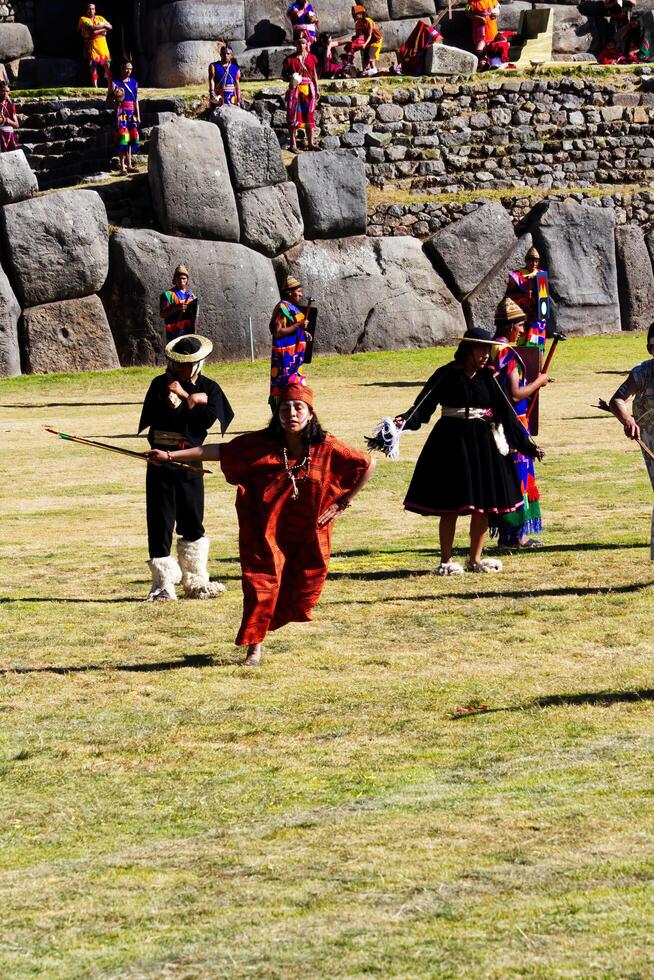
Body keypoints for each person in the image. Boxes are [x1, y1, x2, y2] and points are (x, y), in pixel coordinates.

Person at [148, 384, 375, 666]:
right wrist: (170, 456)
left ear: (310, 413)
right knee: (260, 585)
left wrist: (342, 503)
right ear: (277, 414)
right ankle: (254, 649)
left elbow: (367, 464)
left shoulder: (326, 447)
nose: (291, 413)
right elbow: (219, 450)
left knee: (303, 584)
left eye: (298, 408)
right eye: (285, 409)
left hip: (306, 533)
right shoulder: (261, 444)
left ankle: (269, 625)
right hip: (262, 531)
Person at [394, 327, 544, 575]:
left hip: (484, 446)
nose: (486, 354)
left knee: (483, 506)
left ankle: (475, 559)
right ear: (467, 349)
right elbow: (423, 406)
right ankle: (446, 560)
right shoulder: (446, 375)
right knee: (450, 506)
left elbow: (507, 415)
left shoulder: (490, 379)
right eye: (480, 349)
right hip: (451, 443)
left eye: (488, 349)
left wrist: (528, 446)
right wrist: (403, 422)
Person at [139, 335, 234, 601]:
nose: (180, 369)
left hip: (190, 459)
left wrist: (187, 396)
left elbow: (203, 423)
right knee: (159, 521)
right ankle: (162, 585)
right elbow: (159, 417)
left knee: (192, 519)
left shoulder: (210, 388)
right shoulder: (160, 384)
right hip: (159, 459)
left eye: (186, 365)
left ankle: (196, 581)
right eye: (177, 364)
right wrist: (189, 398)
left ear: (197, 364)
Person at [490, 298, 549, 548]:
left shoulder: (489, 349)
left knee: (503, 477)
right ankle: (515, 536)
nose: (523, 331)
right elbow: (515, 393)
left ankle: (508, 534)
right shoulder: (507, 354)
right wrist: (539, 382)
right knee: (518, 476)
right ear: (510, 327)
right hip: (513, 423)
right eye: (520, 326)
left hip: (494, 423)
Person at [609, 323, 654, 558]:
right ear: (650, 349)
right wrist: (628, 420)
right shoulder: (643, 373)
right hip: (651, 439)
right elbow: (617, 399)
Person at [269, 276, 312, 408]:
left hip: (294, 358)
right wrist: (298, 325)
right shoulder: (282, 308)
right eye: (298, 291)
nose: (301, 294)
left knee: (294, 383)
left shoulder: (291, 308)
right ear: (289, 293)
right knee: (284, 384)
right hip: (284, 359)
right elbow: (278, 332)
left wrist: (303, 333)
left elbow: (292, 329)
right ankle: (280, 412)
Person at [282, 35, 320, 152]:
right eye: (298, 43)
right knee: (294, 117)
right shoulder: (290, 60)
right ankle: (293, 144)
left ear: (307, 44)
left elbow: (314, 75)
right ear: (295, 45)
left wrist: (317, 89)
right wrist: (291, 78)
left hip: (308, 90)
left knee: (309, 116)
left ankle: (311, 143)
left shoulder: (312, 58)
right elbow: (283, 75)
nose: (301, 45)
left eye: (303, 43)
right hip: (295, 90)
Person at [506, 246, 547, 350]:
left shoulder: (541, 275)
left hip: (537, 317)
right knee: (523, 344)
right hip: (522, 315)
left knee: (537, 344)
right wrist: (523, 295)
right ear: (526, 261)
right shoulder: (516, 275)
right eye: (531, 261)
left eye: (536, 261)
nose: (534, 264)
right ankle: (523, 365)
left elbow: (544, 298)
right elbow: (508, 295)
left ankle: (537, 364)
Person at [112, 60, 140, 175]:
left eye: (131, 69)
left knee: (130, 140)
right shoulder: (115, 83)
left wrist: (138, 115)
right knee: (123, 139)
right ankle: (122, 167)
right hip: (122, 114)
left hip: (132, 114)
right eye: (127, 68)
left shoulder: (134, 82)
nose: (129, 71)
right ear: (122, 69)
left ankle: (129, 165)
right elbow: (110, 100)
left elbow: (136, 100)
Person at [77, 3, 112, 89]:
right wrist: (104, 27)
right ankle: (95, 86)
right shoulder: (83, 19)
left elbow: (110, 27)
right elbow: (91, 28)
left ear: (95, 10)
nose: (91, 11)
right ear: (86, 10)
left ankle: (109, 85)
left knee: (107, 66)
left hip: (103, 45)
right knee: (93, 66)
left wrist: (100, 28)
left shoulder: (100, 18)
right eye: (89, 9)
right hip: (92, 45)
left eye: (92, 9)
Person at [159, 265, 197, 343]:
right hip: (174, 332)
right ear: (174, 280)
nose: (181, 280)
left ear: (187, 280)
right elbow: (162, 314)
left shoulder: (191, 294)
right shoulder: (168, 295)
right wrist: (176, 308)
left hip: (189, 331)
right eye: (179, 278)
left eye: (184, 278)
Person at [343, 5, 383, 76]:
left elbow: (370, 35)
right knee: (365, 57)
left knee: (371, 58)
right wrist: (355, 44)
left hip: (375, 40)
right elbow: (359, 36)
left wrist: (365, 44)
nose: (354, 16)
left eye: (355, 14)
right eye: (353, 14)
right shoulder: (357, 24)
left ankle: (374, 71)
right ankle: (366, 71)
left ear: (361, 14)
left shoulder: (368, 22)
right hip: (366, 41)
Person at [0, 80, 18, 153]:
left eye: (7, 91)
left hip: (11, 136)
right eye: (3, 91)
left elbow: (17, 125)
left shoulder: (11, 106)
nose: (5, 93)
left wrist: (7, 120)